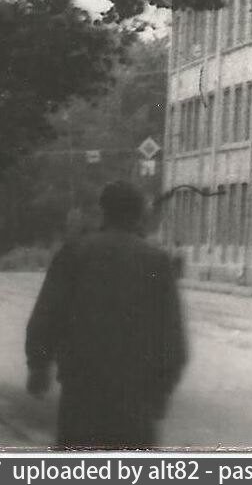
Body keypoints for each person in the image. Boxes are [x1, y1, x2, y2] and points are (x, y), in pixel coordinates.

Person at [25, 181, 187, 450]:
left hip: (82, 389)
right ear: (139, 215)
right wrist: (162, 390)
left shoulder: (75, 253)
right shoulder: (156, 260)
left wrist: (38, 366)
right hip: (137, 396)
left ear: (103, 211)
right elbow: (171, 333)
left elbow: (47, 315)